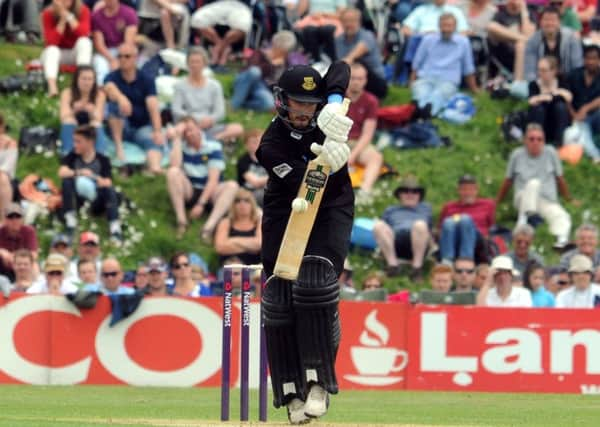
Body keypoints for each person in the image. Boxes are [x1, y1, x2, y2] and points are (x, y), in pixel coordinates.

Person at [255, 62, 353, 424]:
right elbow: (303, 186)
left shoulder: (323, 114)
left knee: (314, 282)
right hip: (287, 205)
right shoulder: (270, 146)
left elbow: (341, 68)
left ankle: (318, 382)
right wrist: (330, 161)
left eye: (310, 104)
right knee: (280, 295)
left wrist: (333, 102)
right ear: (282, 102)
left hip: (332, 208)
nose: (304, 112)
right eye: (297, 103)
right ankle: (290, 388)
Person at [496, 123, 576, 250]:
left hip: (546, 200)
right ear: (525, 141)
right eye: (531, 139)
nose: (535, 142)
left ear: (544, 141)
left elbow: (560, 178)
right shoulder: (517, 155)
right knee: (534, 183)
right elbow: (508, 181)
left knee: (562, 216)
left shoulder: (551, 152)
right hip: (523, 198)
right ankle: (522, 222)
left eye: (539, 139)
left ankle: (561, 240)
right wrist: (497, 201)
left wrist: (569, 199)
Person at [166, 116, 239, 240]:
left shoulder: (213, 146)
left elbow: (213, 180)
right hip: (191, 189)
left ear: (198, 128)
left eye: (191, 129)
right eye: (185, 132)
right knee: (172, 172)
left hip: (210, 192)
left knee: (232, 186)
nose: (189, 134)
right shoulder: (182, 146)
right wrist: (177, 139)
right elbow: (175, 165)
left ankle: (208, 228)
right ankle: (182, 221)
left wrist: (201, 203)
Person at [104, 43, 165, 172]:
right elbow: (109, 88)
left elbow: (153, 105)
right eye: (119, 56)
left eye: (127, 56)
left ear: (135, 58)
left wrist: (158, 130)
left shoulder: (146, 79)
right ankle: (119, 148)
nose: (122, 60)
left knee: (152, 141)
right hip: (121, 126)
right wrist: (121, 98)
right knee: (114, 105)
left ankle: (155, 167)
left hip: (141, 126)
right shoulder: (112, 77)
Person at [59, 125, 122, 242]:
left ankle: (115, 228)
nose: (75, 145)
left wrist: (94, 177)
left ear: (90, 142)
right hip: (78, 199)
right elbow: (62, 172)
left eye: (78, 141)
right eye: (74, 141)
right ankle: (70, 222)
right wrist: (79, 172)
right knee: (67, 181)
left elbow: (108, 181)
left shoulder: (103, 160)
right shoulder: (72, 156)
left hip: (95, 199)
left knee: (110, 190)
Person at [410, 13, 479, 118]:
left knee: (439, 95)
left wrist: (474, 89)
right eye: (443, 25)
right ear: (439, 26)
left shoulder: (463, 43)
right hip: (426, 77)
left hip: (448, 80)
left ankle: (427, 112)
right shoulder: (428, 40)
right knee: (421, 92)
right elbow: (417, 63)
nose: (446, 29)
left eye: (449, 26)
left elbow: (468, 69)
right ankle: (417, 109)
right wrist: (411, 81)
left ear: (455, 27)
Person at [171, 47, 243, 142]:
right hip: (189, 125)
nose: (194, 65)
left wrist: (211, 119)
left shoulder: (214, 85)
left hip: (209, 125)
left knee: (238, 128)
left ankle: (211, 139)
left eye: (198, 62)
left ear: (204, 64)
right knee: (176, 131)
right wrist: (192, 120)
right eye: (192, 62)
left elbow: (220, 111)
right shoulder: (180, 85)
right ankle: (202, 140)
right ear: (188, 64)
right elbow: (176, 109)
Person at [373, 175, 432, 281]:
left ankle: (417, 268)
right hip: (396, 243)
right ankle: (393, 265)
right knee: (378, 225)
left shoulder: (425, 208)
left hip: (419, 241)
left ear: (419, 195)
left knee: (420, 225)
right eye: (405, 191)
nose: (410, 194)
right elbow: (383, 229)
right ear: (399, 194)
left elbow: (430, 228)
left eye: (414, 191)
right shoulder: (391, 210)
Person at [231, 30, 298, 112]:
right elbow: (252, 72)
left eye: (285, 53)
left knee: (270, 104)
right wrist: (272, 64)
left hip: (261, 88)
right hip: (245, 82)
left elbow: (278, 85)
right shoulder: (260, 53)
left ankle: (243, 104)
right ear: (275, 45)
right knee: (255, 72)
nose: (283, 55)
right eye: (281, 51)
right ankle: (234, 105)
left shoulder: (286, 63)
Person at [345, 62, 383, 201]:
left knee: (376, 158)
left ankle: (365, 191)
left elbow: (368, 134)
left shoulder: (371, 101)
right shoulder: (336, 98)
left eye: (359, 79)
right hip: (335, 140)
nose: (356, 82)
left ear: (365, 80)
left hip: (357, 142)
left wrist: (353, 156)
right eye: (353, 78)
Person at [438, 174, 495, 264]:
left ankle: (465, 260)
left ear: (476, 190)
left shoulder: (488, 204)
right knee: (448, 222)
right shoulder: (449, 207)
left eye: (471, 189)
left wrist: (489, 236)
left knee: (465, 219)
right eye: (464, 189)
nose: (468, 193)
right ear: (458, 191)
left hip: (478, 239)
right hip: (454, 238)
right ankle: (447, 262)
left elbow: (492, 227)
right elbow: (441, 230)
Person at [41, 0, 92, 97]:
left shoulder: (83, 11)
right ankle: (52, 86)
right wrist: (62, 21)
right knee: (52, 50)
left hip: (74, 53)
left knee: (85, 42)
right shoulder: (47, 13)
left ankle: (82, 81)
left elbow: (84, 33)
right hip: (55, 54)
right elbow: (51, 42)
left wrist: (68, 16)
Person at [335, 8, 387, 99]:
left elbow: (353, 56)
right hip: (351, 77)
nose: (348, 24)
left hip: (375, 80)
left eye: (352, 21)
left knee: (357, 64)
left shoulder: (367, 35)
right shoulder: (338, 40)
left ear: (359, 22)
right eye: (345, 21)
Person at [524, 7, 583, 82]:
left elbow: (577, 67)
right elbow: (529, 71)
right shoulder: (533, 40)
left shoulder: (571, 38)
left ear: (559, 22)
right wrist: (535, 85)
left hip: (567, 81)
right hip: (541, 82)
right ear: (540, 22)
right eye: (546, 20)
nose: (549, 23)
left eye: (553, 20)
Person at [190, 0, 252, 69]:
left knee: (243, 25)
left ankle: (217, 51)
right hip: (216, 3)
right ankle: (223, 48)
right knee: (197, 20)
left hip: (240, 5)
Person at [59, 65, 107, 155]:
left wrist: (92, 112)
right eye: (84, 79)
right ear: (77, 80)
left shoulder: (99, 94)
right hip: (74, 124)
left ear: (94, 81)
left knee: (96, 123)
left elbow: (99, 118)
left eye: (90, 79)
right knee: (68, 121)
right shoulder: (67, 93)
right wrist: (74, 110)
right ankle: (68, 153)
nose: (87, 82)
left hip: (90, 125)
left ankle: (99, 155)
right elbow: (63, 117)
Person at [527, 56, 572, 147]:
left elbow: (569, 97)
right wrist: (542, 97)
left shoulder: (561, 82)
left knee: (560, 107)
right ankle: (537, 140)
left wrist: (557, 92)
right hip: (541, 122)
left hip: (557, 123)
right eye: (539, 70)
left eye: (544, 70)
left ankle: (559, 142)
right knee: (538, 109)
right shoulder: (534, 84)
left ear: (553, 71)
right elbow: (531, 101)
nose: (540, 73)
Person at [486, 0, 534, 82]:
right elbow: (492, 28)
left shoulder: (529, 14)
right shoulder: (500, 14)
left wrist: (523, 11)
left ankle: (518, 82)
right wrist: (519, 38)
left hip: (524, 55)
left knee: (520, 45)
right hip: (503, 52)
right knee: (491, 26)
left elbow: (529, 34)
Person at [91, 0, 138, 85]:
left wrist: (121, 58)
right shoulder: (96, 16)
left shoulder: (129, 13)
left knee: (130, 68)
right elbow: (99, 44)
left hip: (124, 50)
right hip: (105, 52)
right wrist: (112, 60)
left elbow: (129, 42)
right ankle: (102, 92)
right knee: (101, 67)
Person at [214, 188, 262, 266]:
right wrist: (250, 247)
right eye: (238, 201)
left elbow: (259, 244)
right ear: (233, 205)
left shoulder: (259, 222)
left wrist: (232, 240)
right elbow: (220, 248)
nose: (242, 204)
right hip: (229, 268)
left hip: (253, 268)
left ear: (252, 204)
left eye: (246, 200)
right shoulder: (225, 222)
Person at [568, 45, 600, 149]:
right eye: (588, 58)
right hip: (573, 116)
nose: (590, 61)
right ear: (583, 59)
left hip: (594, 117)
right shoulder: (574, 75)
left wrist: (586, 108)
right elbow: (566, 97)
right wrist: (574, 115)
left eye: (594, 58)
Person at [0, 203, 39, 280]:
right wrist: (1, 252)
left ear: (22, 219)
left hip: (21, 266)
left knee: (34, 265)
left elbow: (34, 255)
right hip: (3, 267)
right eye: (10, 217)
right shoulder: (0, 231)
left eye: (18, 217)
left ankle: (31, 288)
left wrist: (15, 257)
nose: (14, 220)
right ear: (5, 219)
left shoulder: (29, 231)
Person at [237, 129, 268, 206]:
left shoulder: (270, 157)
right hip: (249, 192)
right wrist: (274, 178)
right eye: (254, 142)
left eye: (261, 140)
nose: (259, 143)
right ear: (246, 145)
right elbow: (255, 182)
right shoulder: (243, 161)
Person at [0, 113, 18, 215]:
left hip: (6, 178)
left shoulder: (10, 143)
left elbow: (8, 167)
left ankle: (3, 218)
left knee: (2, 177)